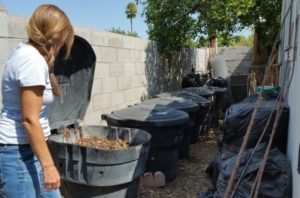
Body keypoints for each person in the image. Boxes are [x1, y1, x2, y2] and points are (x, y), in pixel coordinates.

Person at [0, 4, 74, 197]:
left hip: (31, 149)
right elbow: (29, 119)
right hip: (19, 153)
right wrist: (49, 166)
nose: (65, 41)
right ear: (56, 33)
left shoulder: (31, 55)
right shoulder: (31, 59)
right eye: (65, 34)